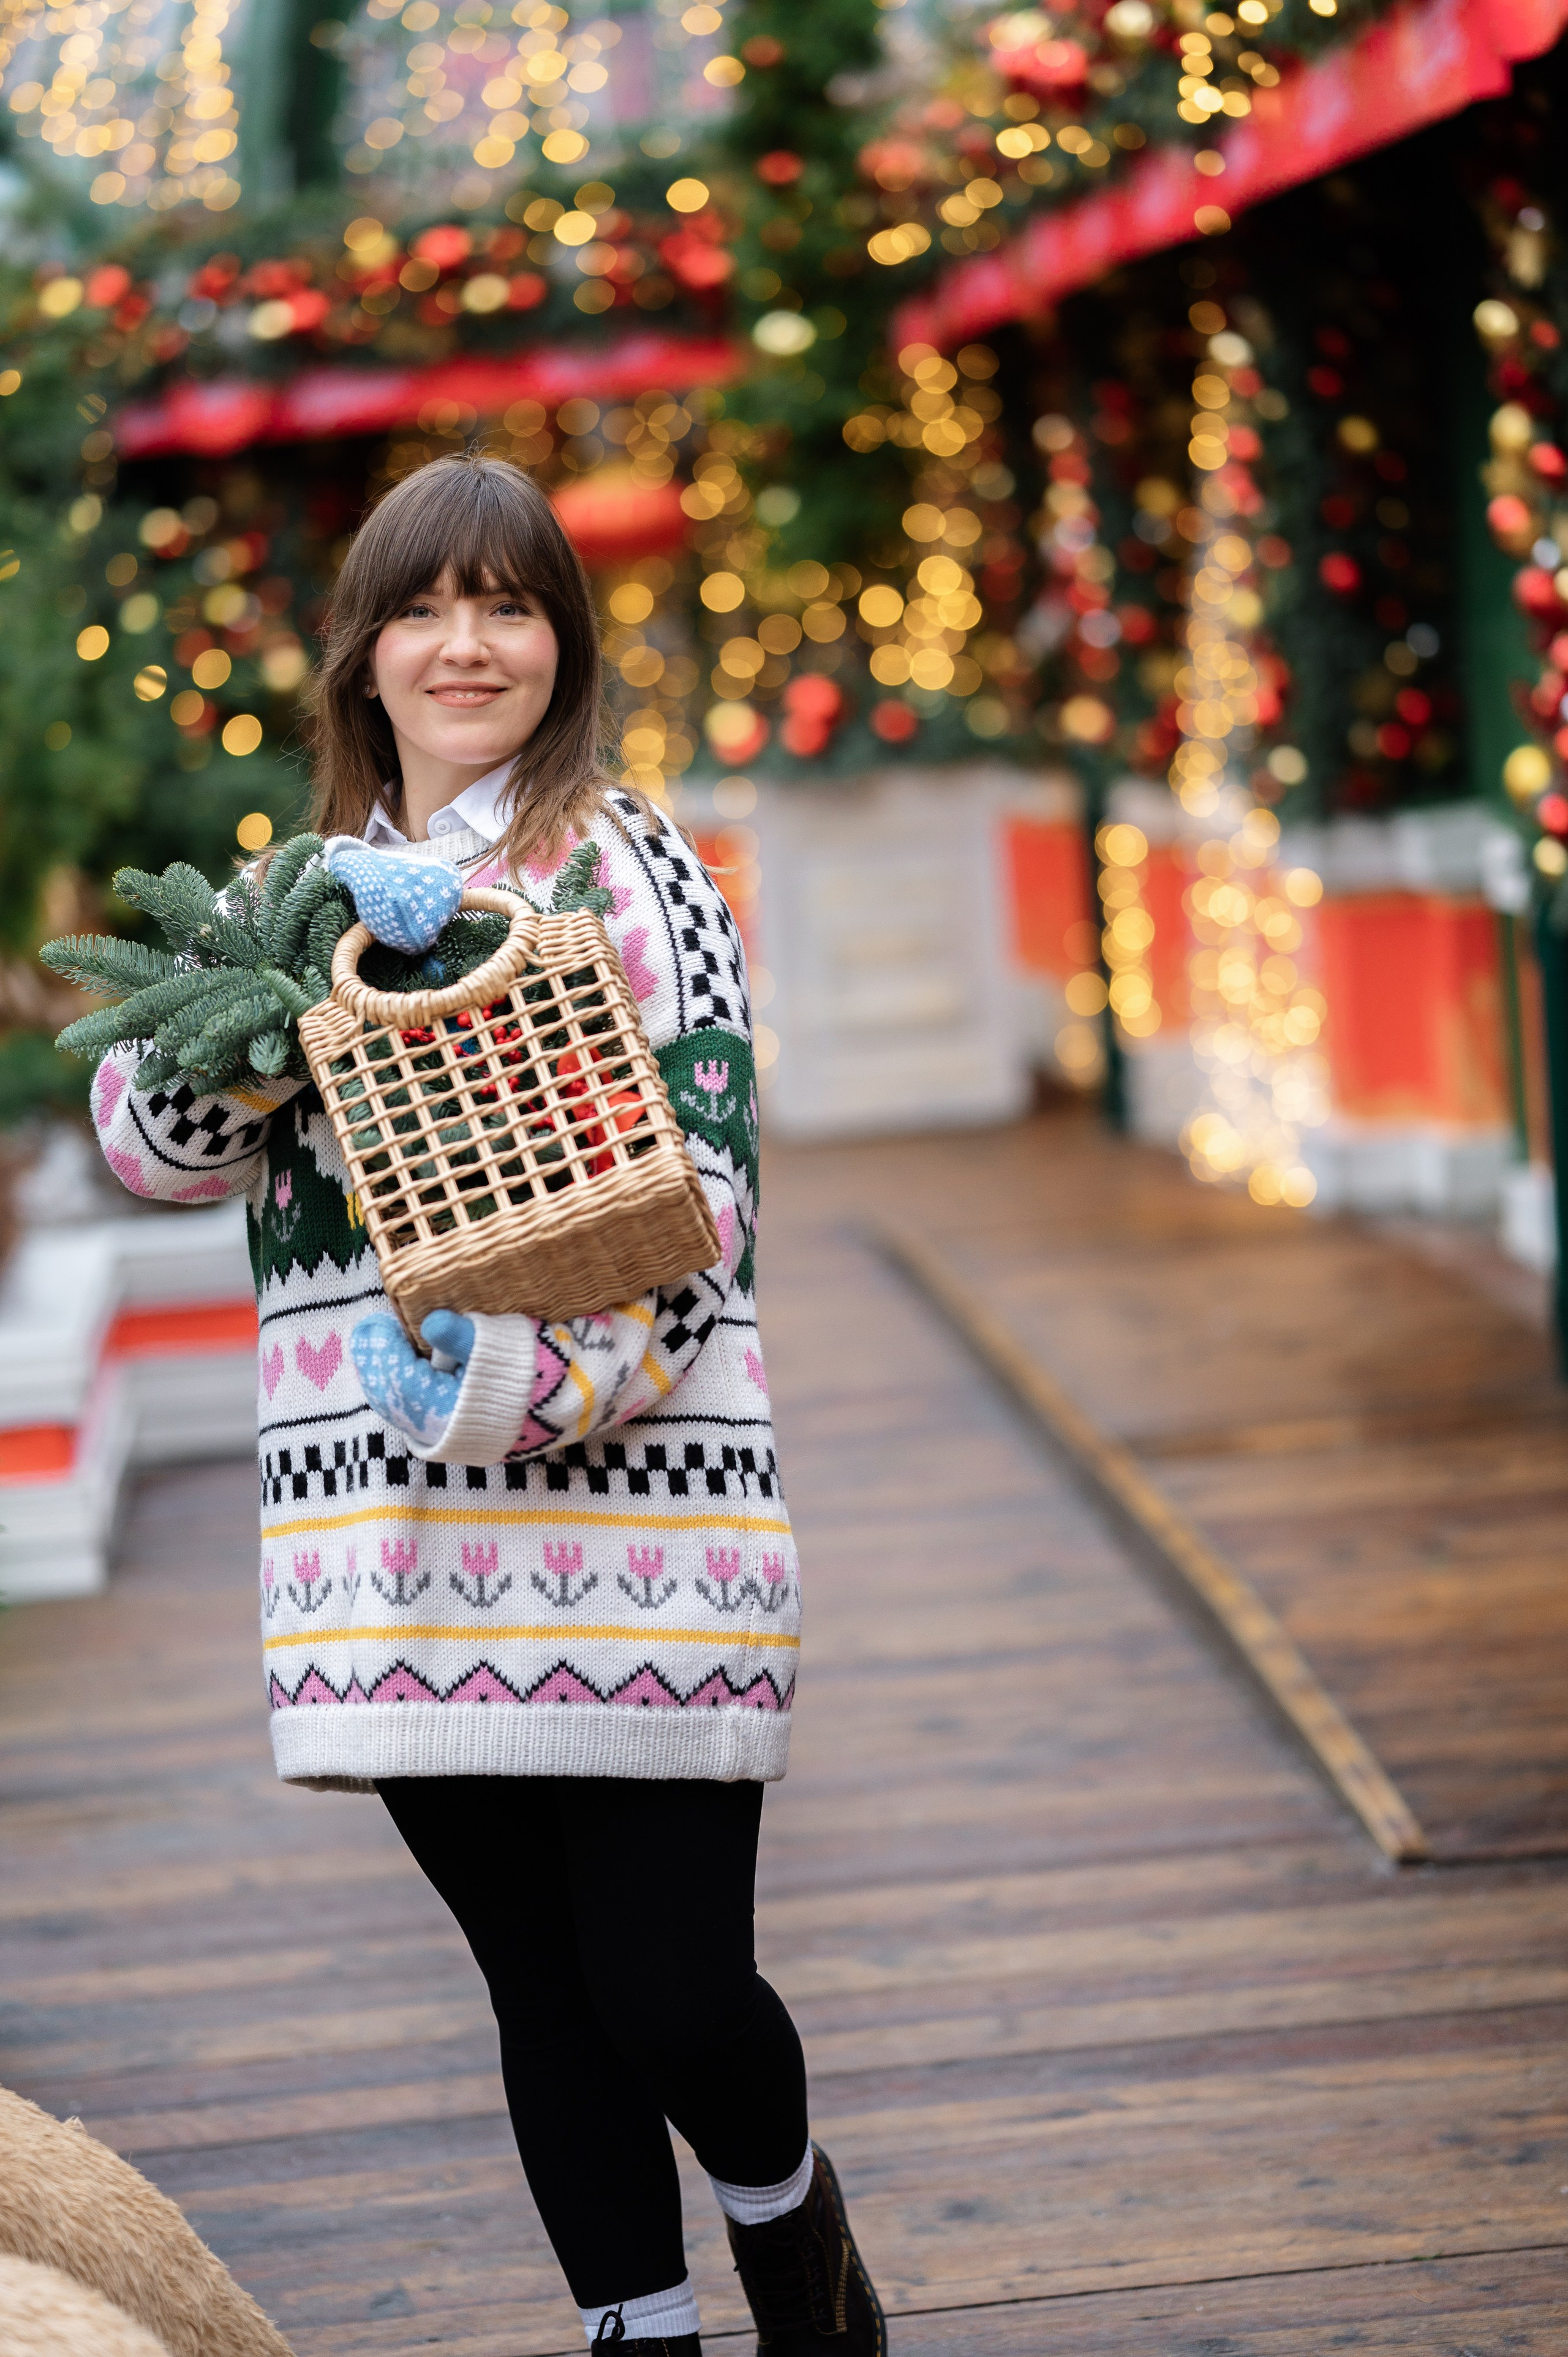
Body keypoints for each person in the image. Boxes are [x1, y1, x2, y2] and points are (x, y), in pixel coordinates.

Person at [88, 454, 885, 2357]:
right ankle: (641, 2333)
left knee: (674, 1987)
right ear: (362, 656)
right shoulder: (286, 896)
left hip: (641, 1514)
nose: (466, 645)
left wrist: (513, 1384)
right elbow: (148, 1142)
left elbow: (707, 1207)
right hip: (390, 1539)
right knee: (542, 1986)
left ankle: (800, 2259)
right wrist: (282, 1007)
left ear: (563, 645)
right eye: (424, 609)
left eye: (509, 605)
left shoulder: (632, 869)